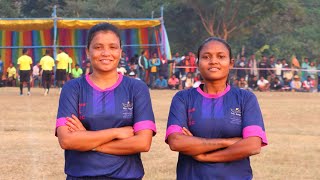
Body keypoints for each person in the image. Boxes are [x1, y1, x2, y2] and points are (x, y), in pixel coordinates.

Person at [56, 23, 156, 179]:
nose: (106, 53)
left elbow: (143, 143)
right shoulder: (73, 88)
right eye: (98, 47)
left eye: (113, 47)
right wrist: (116, 132)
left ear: (120, 52)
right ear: (87, 52)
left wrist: (87, 139)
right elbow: (67, 140)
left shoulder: (137, 88)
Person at [166, 37, 267, 180]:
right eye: (206, 57)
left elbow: (253, 145)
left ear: (231, 63)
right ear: (197, 63)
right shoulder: (183, 98)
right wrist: (227, 142)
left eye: (221, 56)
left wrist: (205, 157)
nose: (213, 61)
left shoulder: (245, 98)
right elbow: (176, 142)